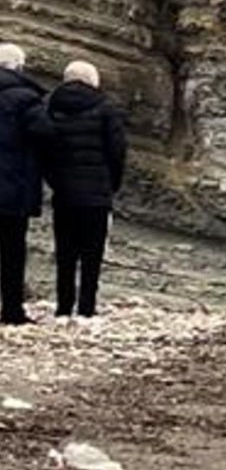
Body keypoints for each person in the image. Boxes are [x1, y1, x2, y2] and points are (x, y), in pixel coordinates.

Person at [42, 62, 126, 320]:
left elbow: (45, 150)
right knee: (92, 254)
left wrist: (55, 181)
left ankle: (63, 307)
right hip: (97, 193)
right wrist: (111, 184)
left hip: (65, 194)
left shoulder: (50, 107)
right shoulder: (105, 108)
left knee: (65, 253)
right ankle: (86, 307)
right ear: (93, 81)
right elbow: (117, 151)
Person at [0, 44, 49, 326]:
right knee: (12, 252)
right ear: (19, 67)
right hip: (12, 190)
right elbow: (45, 134)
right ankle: (11, 311)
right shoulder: (26, 99)